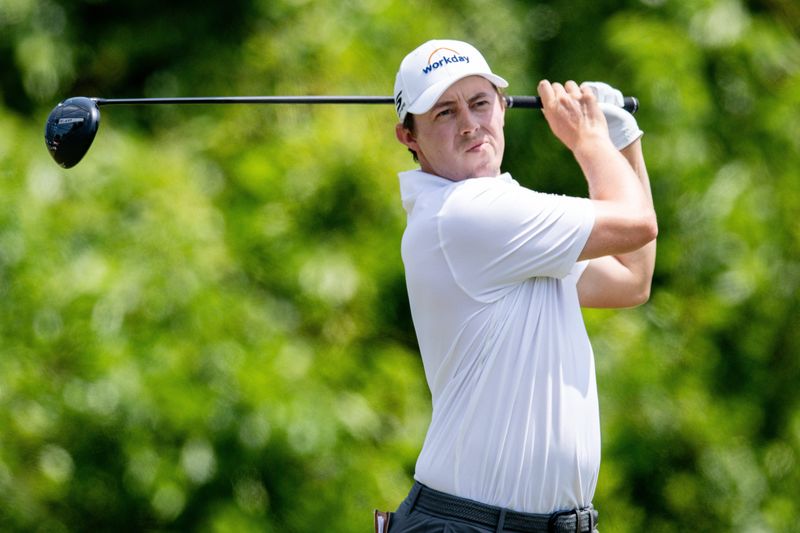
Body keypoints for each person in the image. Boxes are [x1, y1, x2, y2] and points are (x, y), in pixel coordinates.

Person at [375, 39, 657, 533]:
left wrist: (622, 139)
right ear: (408, 136)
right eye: (444, 112)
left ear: (502, 108)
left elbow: (632, 279)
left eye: (480, 103)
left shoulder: (507, 219)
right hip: (471, 525)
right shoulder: (464, 213)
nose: (469, 123)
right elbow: (636, 222)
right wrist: (591, 139)